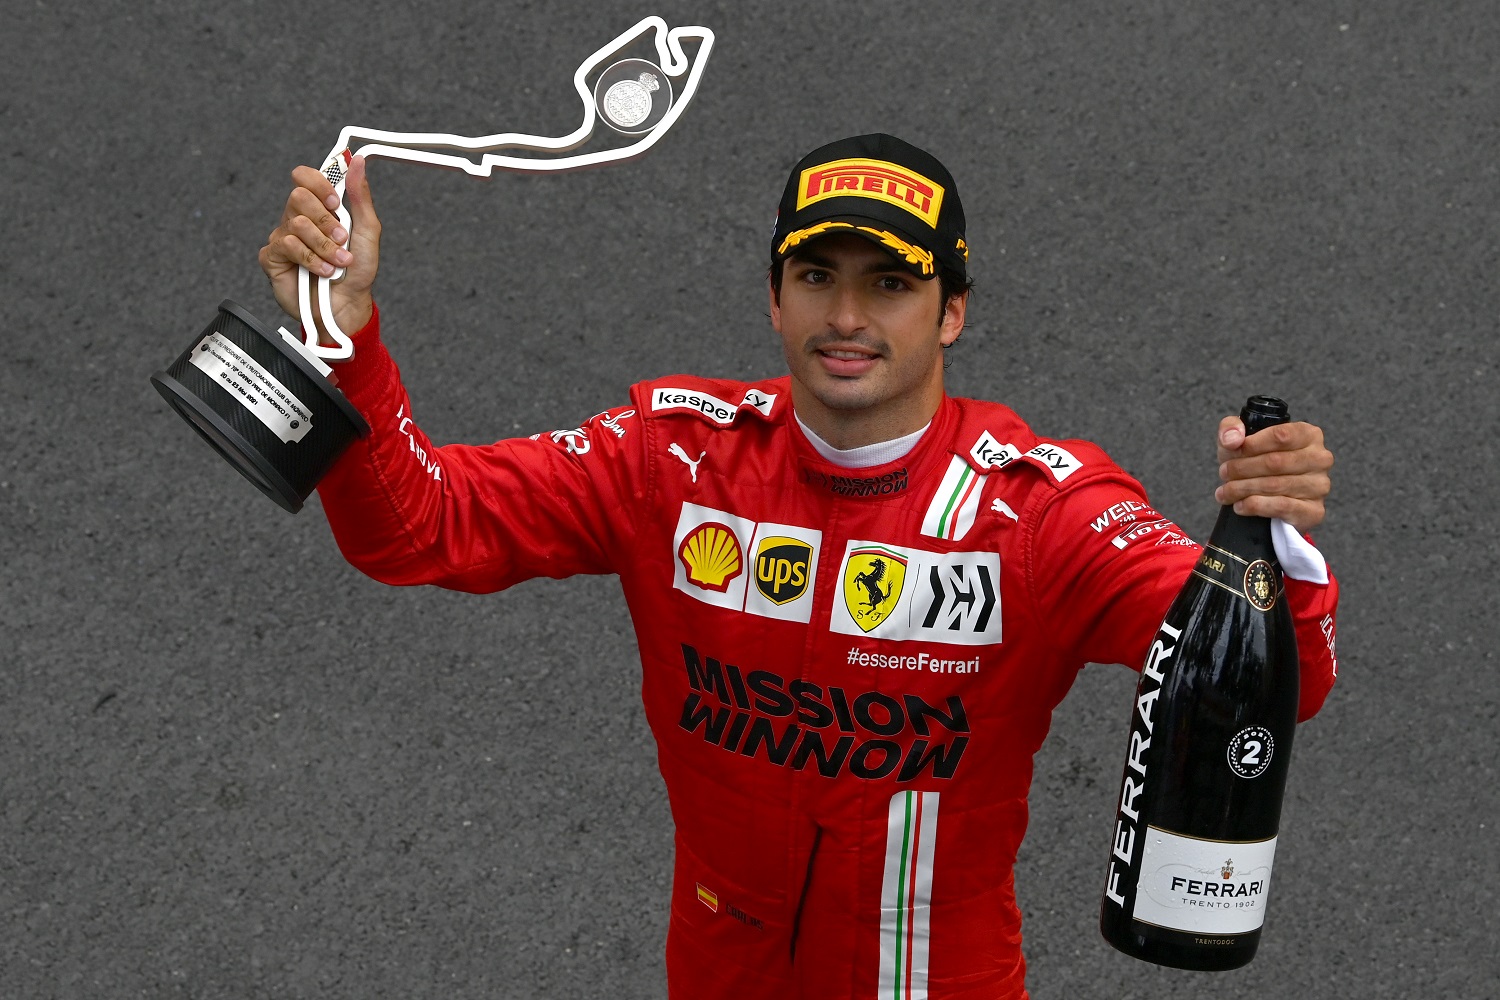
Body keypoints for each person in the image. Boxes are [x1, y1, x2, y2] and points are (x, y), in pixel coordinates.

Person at [260, 134, 1338, 1000]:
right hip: (720, 967)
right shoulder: (671, 458)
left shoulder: (1039, 510)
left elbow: (1275, 674)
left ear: (952, 311)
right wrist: (346, 336)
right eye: (816, 275)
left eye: (892, 284)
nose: (849, 316)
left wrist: (1274, 543)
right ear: (775, 299)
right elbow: (417, 529)